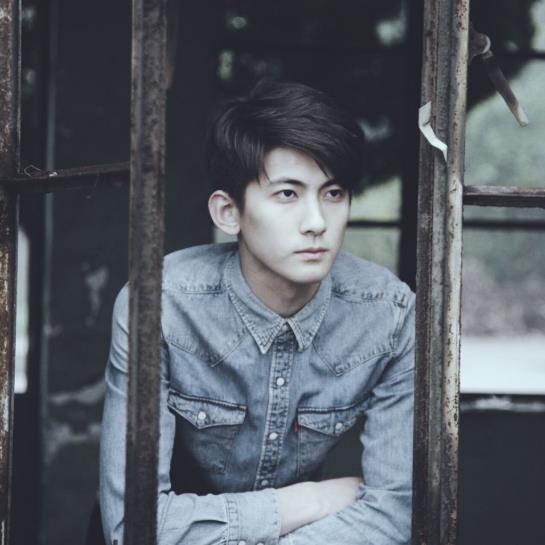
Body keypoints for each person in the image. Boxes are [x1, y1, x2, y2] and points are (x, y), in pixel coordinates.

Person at [99, 79, 415, 545]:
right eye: (288, 194)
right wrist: (309, 501)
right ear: (228, 212)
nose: (317, 223)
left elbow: (395, 515)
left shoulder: (388, 316)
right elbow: (135, 526)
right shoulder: (160, 307)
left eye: (333, 193)